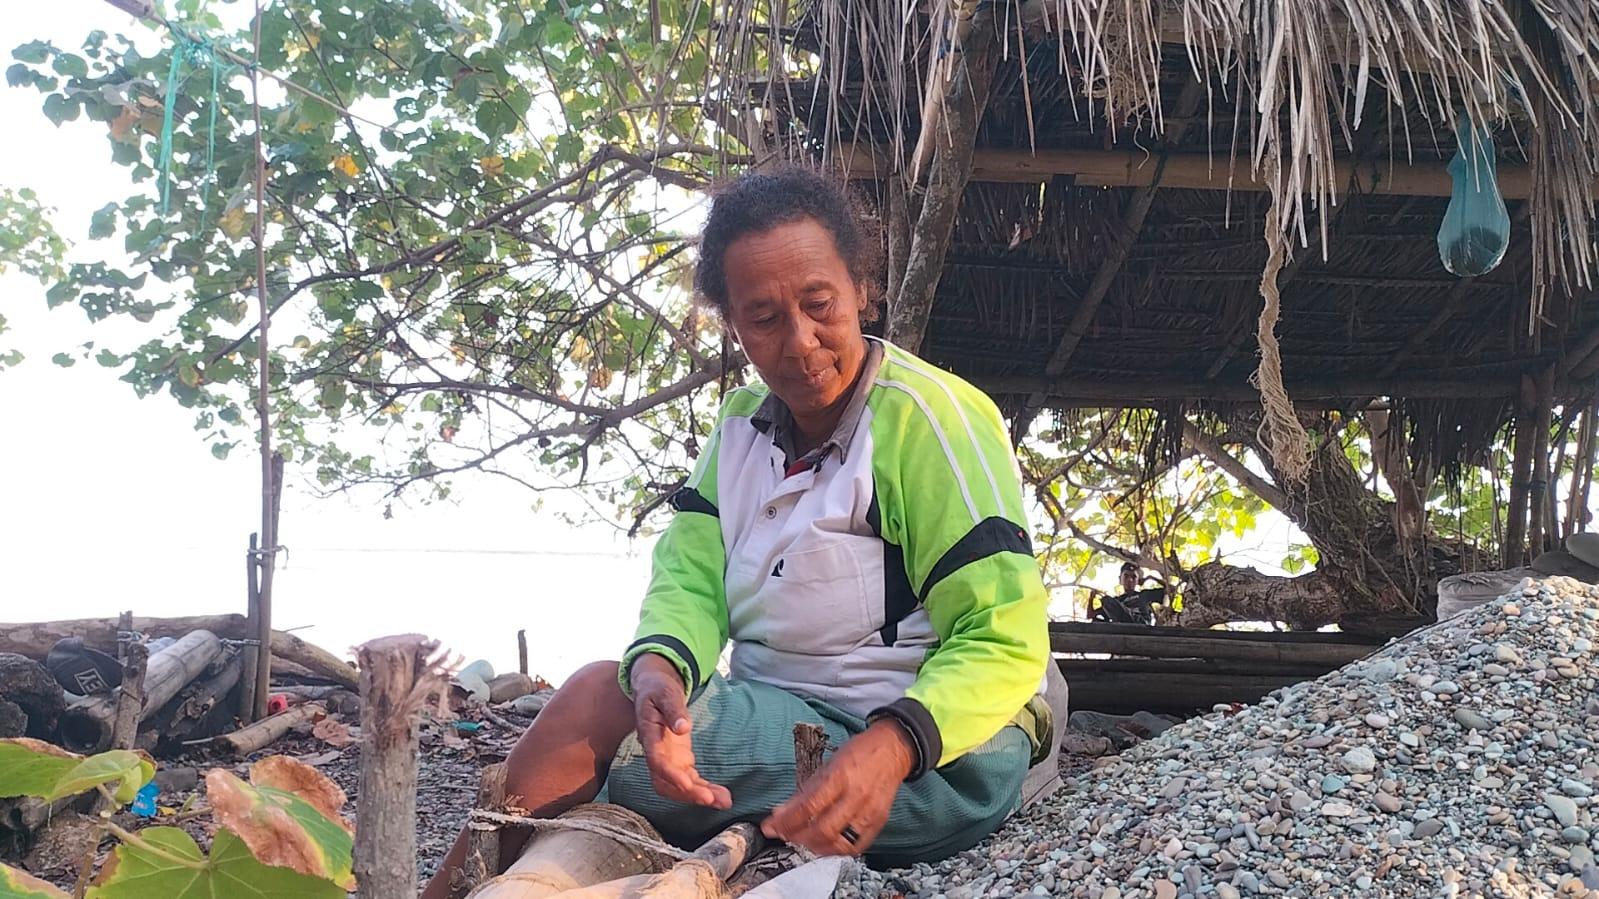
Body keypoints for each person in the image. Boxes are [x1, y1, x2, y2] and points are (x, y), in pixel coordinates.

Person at [422, 168, 1054, 897]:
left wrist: (892, 744)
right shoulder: (736, 428)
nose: (800, 342)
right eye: (762, 318)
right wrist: (661, 669)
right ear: (731, 324)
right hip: (784, 732)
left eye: (820, 305)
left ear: (860, 289)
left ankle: (440, 891)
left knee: (592, 703)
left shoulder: (927, 419)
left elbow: (1005, 635)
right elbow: (689, 580)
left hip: (929, 760)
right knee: (624, 696)